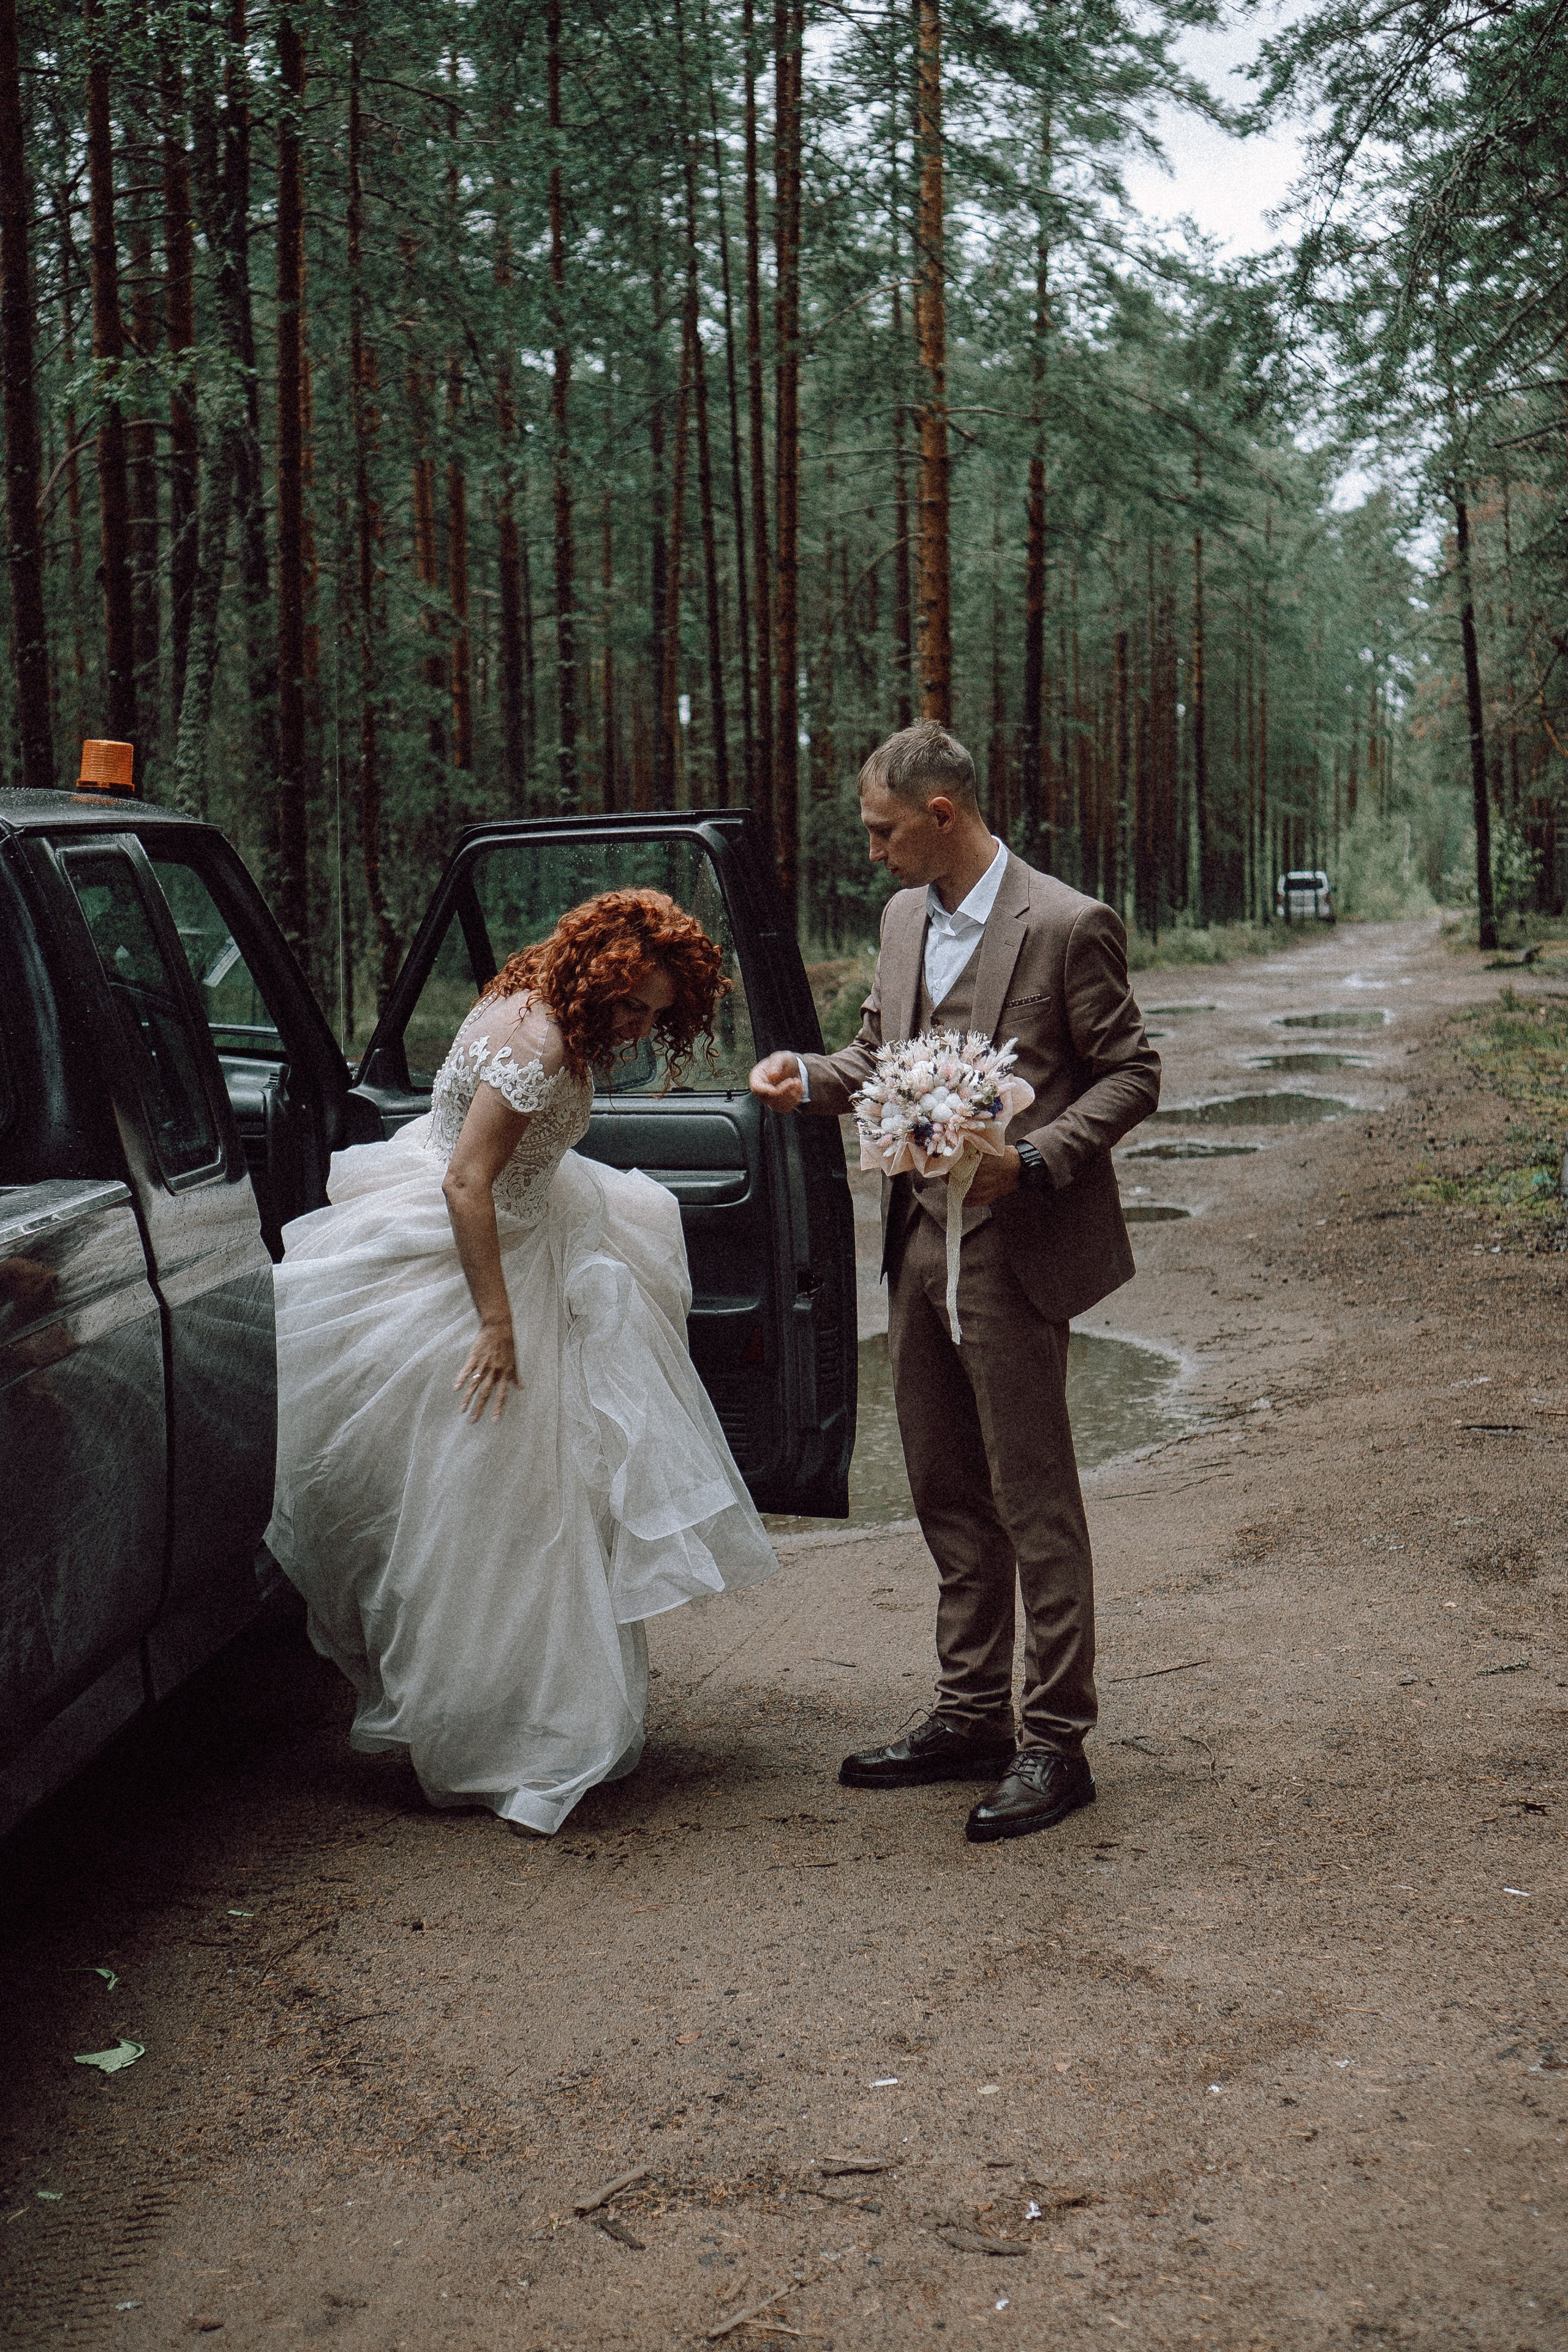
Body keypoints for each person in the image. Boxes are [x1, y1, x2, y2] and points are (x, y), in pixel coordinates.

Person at [267, 888, 777, 1836]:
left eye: (657, 1015)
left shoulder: (530, 991)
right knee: (503, 1505)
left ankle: (517, 1715)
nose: (636, 1026)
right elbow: (468, 1181)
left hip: (526, 1229)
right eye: (631, 1004)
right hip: (484, 1260)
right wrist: (496, 1325)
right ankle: (505, 1737)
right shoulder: (540, 1043)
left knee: (522, 1501)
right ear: (596, 971)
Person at [750, 722, 1159, 1843]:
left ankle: (1054, 1742)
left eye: (884, 830)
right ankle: (971, 1712)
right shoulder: (897, 919)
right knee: (942, 1486)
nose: (871, 852)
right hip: (916, 1245)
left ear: (941, 816)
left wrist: (1034, 1162)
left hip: (1016, 1252)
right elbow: (880, 1058)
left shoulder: (1069, 924)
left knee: (1032, 1496)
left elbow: (1133, 1074)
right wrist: (806, 1077)